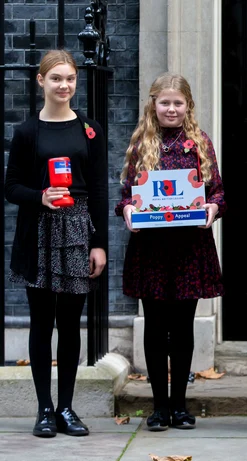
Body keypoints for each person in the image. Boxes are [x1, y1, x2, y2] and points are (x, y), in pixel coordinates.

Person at [4, 50, 108, 438]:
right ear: (41, 82)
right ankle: (44, 409)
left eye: (70, 79)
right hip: (40, 232)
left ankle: (66, 407)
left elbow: (98, 189)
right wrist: (40, 196)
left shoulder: (89, 130)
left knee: (70, 324)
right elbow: (11, 186)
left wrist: (99, 244)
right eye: (57, 79)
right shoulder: (28, 132)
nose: (64, 86)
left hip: (79, 231)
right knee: (41, 322)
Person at [115, 72, 226, 432]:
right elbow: (125, 196)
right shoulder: (141, 144)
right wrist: (128, 211)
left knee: (181, 329)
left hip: (190, 248)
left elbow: (218, 193)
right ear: (154, 105)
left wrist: (212, 210)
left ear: (188, 106)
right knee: (155, 328)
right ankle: (158, 407)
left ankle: (180, 405)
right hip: (151, 249)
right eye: (165, 102)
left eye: (178, 102)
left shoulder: (200, 143)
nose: (171, 109)